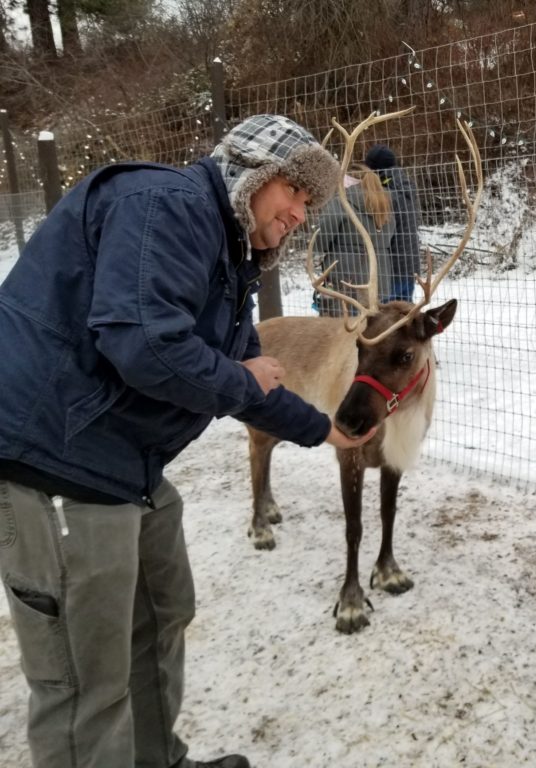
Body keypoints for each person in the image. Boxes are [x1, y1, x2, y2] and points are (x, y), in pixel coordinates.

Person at [0, 114, 376, 768]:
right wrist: (236, 375)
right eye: (293, 190)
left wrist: (325, 429)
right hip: (57, 459)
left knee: (159, 618)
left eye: (310, 203)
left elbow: (251, 379)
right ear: (253, 174)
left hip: (127, 463)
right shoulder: (165, 206)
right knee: (88, 673)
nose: (300, 211)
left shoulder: (229, 259)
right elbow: (143, 344)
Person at [313, 162, 395, 316]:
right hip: (379, 272)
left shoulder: (341, 201)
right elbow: (390, 236)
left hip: (345, 276)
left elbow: (321, 238)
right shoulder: (385, 203)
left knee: (340, 327)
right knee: (371, 325)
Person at [364, 143, 422, 303]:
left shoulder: (385, 195)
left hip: (390, 269)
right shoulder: (407, 188)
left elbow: (376, 229)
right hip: (409, 266)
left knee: (387, 320)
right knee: (404, 314)